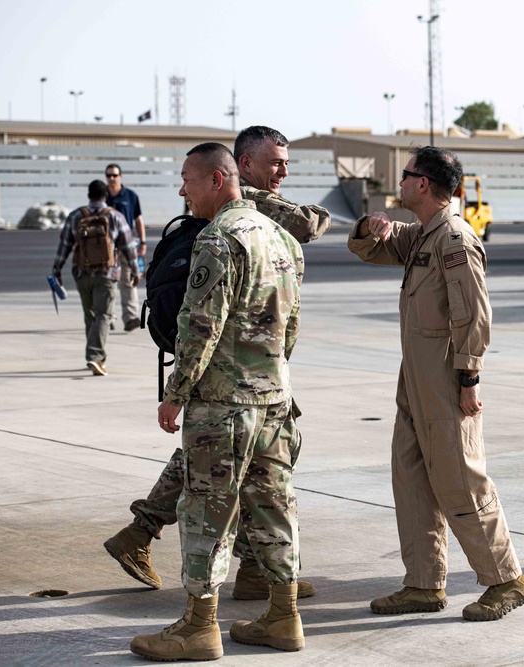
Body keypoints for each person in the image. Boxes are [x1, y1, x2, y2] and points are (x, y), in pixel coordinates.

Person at [104, 125, 328, 601]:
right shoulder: (247, 211)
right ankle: (208, 593)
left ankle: (241, 569)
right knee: (220, 478)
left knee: (238, 467)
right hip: (238, 371)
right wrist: (181, 391)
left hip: (247, 372)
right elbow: (309, 226)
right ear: (240, 167)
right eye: (274, 163)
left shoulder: (236, 211)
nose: (282, 172)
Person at [130, 143, 305, 661]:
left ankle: (198, 626)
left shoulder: (218, 238)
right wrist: (268, 375)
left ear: (215, 179)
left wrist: (176, 393)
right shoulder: (281, 238)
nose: (181, 190)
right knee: (274, 507)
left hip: (223, 405)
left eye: (186, 179)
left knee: (207, 510)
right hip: (274, 400)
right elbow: (291, 325)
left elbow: (199, 326)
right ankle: (283, 615)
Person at [347, 146, 524, 622]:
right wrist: (370, 224)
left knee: (460, 480)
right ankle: (424, 583)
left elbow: (475, 314)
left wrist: (468, 377)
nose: (401, 183)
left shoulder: (453, 239)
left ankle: (506, 579)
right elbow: (368, 248)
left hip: (446, 378)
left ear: (423, 184)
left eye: (406, 176)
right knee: (411, 479)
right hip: (415, 379)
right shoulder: (423, 235)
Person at [52, 179, 139, 377]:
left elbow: (64, 245)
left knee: (90, 315)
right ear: (105, 195)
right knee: (104, 315)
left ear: (89, 195)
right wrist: (135, 270)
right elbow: (128, 247)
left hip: (82, 274)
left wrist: (57, 269)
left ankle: (93, 354)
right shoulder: (115, 216)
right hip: (107, 274)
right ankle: (96, 356)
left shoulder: (76, 216)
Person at [104, 163, 146, 332]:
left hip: (127, 246)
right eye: (109, 175)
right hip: (107, 248)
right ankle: (108, 318)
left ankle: (131, 318)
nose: (112, 178)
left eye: (114, 175)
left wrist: (142, 242)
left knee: (128, 281)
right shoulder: (102, 197)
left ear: (120, 176)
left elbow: (138, 220)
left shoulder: (130, 196)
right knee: (108, 283)